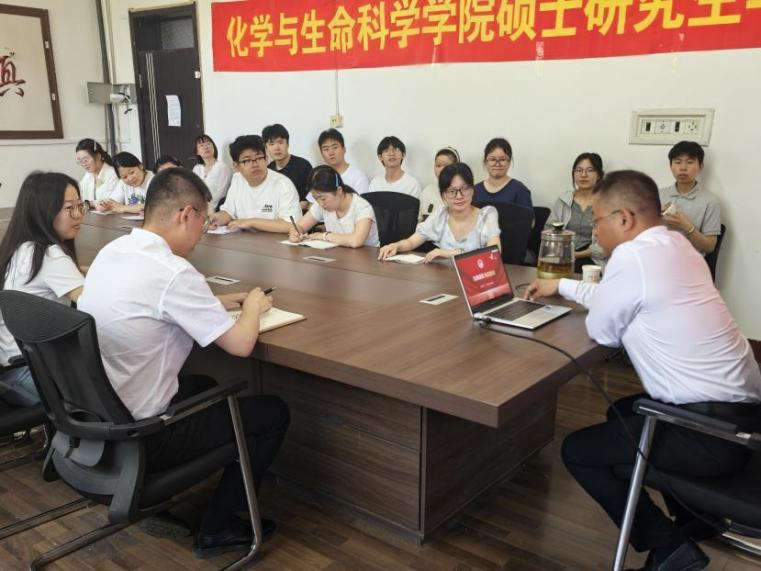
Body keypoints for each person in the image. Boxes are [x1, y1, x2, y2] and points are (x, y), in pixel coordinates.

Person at [525, 170, 761, 571]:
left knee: (578, 451)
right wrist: (562, 286)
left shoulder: (632, 256)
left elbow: (603, 330)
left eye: (597, 220)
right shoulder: (675, 245)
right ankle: (696, 519)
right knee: (622, 410)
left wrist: (587, 298)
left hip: (711, 436)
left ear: (624, 218)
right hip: (745, 421)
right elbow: (622, 295)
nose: (594, 231)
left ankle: (669, 548)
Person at [78, 168, 290, 558]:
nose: (202, 233)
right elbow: (241, 345)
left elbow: (157, 300)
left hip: (98, 422)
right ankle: (217, 528)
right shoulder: (174, 271)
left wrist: (217, 301)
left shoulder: (114, 251)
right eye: (204, 223)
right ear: (186, 214)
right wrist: (253, 308)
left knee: (206, 386)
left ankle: (189, 494)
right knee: (272, 413)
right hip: (144, 434)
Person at [0, 172, 86, 407]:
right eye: (69, 208)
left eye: (80, 205)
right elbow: (94, 306)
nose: (78, 215)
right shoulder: (49, 256)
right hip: (33, 379)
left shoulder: (18, 248)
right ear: (44, 211)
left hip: (10, 374)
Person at [378, 163, 500, 263]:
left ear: (472, 190)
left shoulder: (487, 215)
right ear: (443, 196)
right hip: (445, 279)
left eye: (464, 189)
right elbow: (411, 242)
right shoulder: (440, 215)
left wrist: (450, 254)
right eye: (451, 191)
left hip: (478, 279)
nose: (459, 196)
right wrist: (396, 246)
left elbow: (494, 254)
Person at [209, 135, 301, 233]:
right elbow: (228, 212)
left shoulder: (283, 184)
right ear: (236, 166)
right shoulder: (237, 180)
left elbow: (291, 225)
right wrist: (215, 218)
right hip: (244, 240)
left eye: (259, 158)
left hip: (276, 241)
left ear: (266, 159)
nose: (255, 164)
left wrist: (251, 222)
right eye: (247, 160)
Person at [289, 165, 379, 248]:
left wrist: (324, 236)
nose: (320, 203)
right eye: (316, 199)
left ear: (339, 191)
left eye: (323, 198)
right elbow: (300, 226)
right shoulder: (321, 204)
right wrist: (295, 232)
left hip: (367, 257)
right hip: (337, 255)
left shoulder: (362, 207)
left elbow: (355, 241)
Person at [659, 141, 721, 255]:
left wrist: (686, 226)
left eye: (690, 162)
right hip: (657, 255)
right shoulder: (658, 194)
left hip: (688, 260)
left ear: (700, 167)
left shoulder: (710, 201)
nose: (683, 168)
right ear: (671, 166)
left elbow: (710, 247)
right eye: (678, 162)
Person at [549, 152, 605, 272]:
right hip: (562, 254)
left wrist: (577, 255)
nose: (583, 175)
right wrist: (561, 250)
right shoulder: (564, 200)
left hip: (592, 259)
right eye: (579, 170)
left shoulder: (607, 203)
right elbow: (549, 229)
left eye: (590, 170)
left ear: (599, 175)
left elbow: (608, 242)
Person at [262, 123, 312, 209]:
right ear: (266, 148)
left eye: (280, 142)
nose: (276, 148)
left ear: (287, 144)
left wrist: (283, 211)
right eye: (271, 144)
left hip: (299, 214)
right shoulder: (268, 170)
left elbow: (307, 202)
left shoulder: (303, 166)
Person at [473, 138, 532, 210]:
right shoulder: (475, 191)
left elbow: (528, 217)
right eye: (492, 159)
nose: (497, 164)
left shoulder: (520, 191)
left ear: (509, 162)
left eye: (502, 159)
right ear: (485, 162)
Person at [316, 128, 370, 197]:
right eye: (326, 149)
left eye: (335, 147)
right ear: (321, 153)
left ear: (344, 149)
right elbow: (312, 201)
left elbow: (362, 203)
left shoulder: (358, 177)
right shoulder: (319, 177)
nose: (331, 152)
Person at [192, 134, 233, 214]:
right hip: (196, 208)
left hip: (215, 210)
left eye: (208, 144)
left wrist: (203, 207)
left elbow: (221, 193)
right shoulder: (196, 169)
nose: (206, 147)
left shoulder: (223, 167)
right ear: (197, 152)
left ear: (213, 147)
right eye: (201, 145)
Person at [419, 147, 458, 221]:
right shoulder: (427, 191)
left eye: (446, 166)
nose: (442, 170)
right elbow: (419, 221)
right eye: (438, 166)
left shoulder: (462, 193)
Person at [75, 138, 119, 204]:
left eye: (85, 160)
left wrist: (90, 204)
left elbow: (112, 202)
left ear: (98, 156)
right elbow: (81, 197)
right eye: (80, 161)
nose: (83, 164)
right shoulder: (88, 175)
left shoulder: (113, 174)